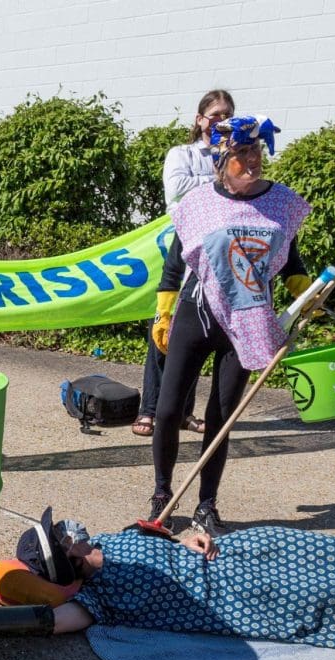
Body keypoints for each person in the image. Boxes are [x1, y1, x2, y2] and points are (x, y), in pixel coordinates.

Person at [27, 516, 335, 656]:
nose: (71, 528)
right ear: (66, 558)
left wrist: (189, 536)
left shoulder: (115, 536)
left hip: (249, 551)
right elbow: (52, 621)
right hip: (250, 599)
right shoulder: (97, 599)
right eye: (62, 535)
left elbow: (173, 537)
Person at [148, 115, 312, 536]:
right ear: (222, 160)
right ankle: (162, 494)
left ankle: (207, 505)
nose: (252, 160)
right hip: (197, 313)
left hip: (247, 320)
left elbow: (290, 262)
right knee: (167, 410)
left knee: (221, 418)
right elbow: (175, 263)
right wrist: (164, 313)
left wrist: (306, 294)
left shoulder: (281, 203)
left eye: (255, 150)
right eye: (241, 153)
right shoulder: (199, 202)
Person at [132, 89, 235, 440]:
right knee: (165, 327)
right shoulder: (183, 154)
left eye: (228, 115)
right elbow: (175, 189)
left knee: (198, 332)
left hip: (220, 253)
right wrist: (218, 180)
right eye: (216, 114)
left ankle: (183, 412)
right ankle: (150, 409)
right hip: (184, 245)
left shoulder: (235, 154)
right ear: (200, 118)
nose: (221, 121)